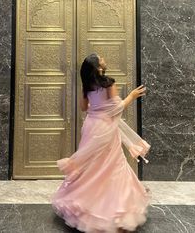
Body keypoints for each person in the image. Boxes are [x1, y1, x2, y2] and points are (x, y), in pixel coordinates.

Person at [51, 53, 151, 232]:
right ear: (98, 67)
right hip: (105, 129)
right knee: (113, 165)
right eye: (101, 58)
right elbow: (117, 108)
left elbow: (84, 108)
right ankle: (114, 210)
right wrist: (132, 95)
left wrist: (96, 110)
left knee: (92, 166)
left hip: (91, 127)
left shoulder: (87, 86)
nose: (104, 58)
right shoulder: (109, 83)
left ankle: (83, 203)